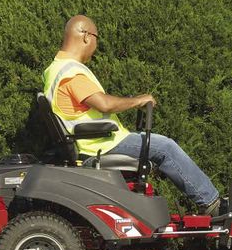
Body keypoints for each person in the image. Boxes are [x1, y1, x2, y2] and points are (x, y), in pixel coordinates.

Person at [42, 15, 222, 215]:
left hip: (91, 143)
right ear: (86, 37)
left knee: (160, 146)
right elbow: (104, 104)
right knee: (166, 147)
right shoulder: (71, 72)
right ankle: (212, 204)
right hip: (101, 145)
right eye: (96, 39)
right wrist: (138, 100)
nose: (96, 46)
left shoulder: (54, 69)